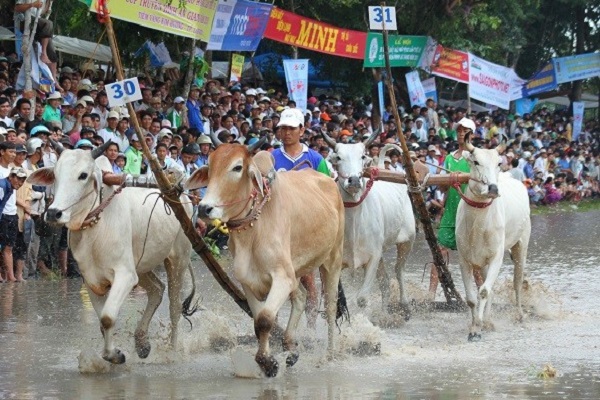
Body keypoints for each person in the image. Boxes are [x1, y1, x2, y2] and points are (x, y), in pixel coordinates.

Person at [272, 108, 330, 327]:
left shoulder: (315, 159)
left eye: (291, 128)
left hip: (306, 228)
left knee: (307, 279)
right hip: (277, 228)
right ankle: (274, 327)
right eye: (283, 128)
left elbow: (328, 193)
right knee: (272, 279)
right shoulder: (271, 157)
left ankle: (311, 325)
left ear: (302, 130)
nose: (287, 133)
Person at [429, 118, 482, 299]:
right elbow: (443, 188)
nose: (461, 133)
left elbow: (480, 181)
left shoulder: (477, 157)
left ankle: (483, 295)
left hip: (471, 213)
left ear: (472, 134)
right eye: (459, 130)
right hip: (451, 212)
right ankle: (430, 295)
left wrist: (463, 177)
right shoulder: (450, 159)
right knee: (439, 252)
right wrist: (446, 180)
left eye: (465, 130)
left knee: (474, 260)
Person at [0, 166, 27, 282]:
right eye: (18, 179)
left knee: (7, 247)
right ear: (11, 177)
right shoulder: (2, 186)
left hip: (8, 216)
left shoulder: (10, 187)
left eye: (23, 180)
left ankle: (10, 276)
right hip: (4, 217)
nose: (20, 183)